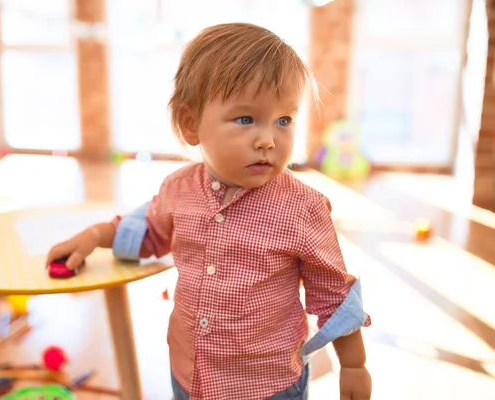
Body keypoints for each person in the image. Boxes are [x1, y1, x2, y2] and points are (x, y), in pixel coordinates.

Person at [47, 22, 372, 400]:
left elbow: (332, 293)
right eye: (246, 119)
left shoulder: (302, 208)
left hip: (266, 385)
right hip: (189, 373)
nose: (268, 139)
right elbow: (148, 231)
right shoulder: (179, 189)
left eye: (284, 120)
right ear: (191, 125)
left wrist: (354, 365)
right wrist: (93, 237)